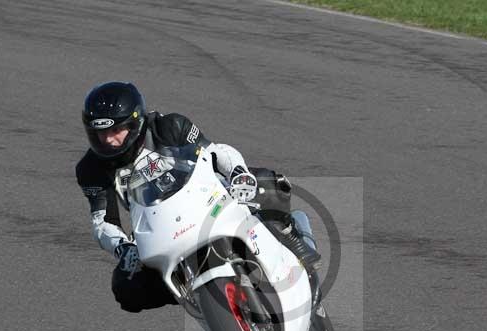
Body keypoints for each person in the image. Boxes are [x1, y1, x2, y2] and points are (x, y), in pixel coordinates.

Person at [76, 81, 320, 312]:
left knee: (266, 184)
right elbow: (103, 222)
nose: (108, 139)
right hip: (160, 224)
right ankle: (202, 298)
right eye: (101, 133)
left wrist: (239, 174)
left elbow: (216, 152)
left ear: (134, 123)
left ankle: (295, 241)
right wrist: (123, 248)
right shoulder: (91, 169)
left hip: (209, 196)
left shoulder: (168, 126)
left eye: (116, 130)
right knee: (126, 286)